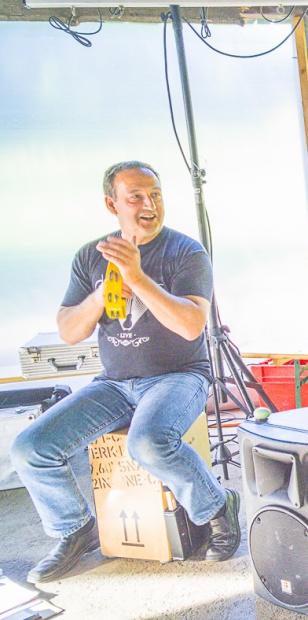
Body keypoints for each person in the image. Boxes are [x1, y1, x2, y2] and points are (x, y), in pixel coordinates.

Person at [11, 161, 241, 583]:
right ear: (111, 203)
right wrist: (101, 293)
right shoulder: (91, 255)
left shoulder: (186, 252)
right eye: (135, 196)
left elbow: (192, 325)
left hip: (179, 375)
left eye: (155, 194)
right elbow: (70, 331)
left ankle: (217, 507)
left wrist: (136, 277)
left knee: (149, 443)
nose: (149, 204)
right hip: (114, 383)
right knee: (30, 448)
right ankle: (74, 530)